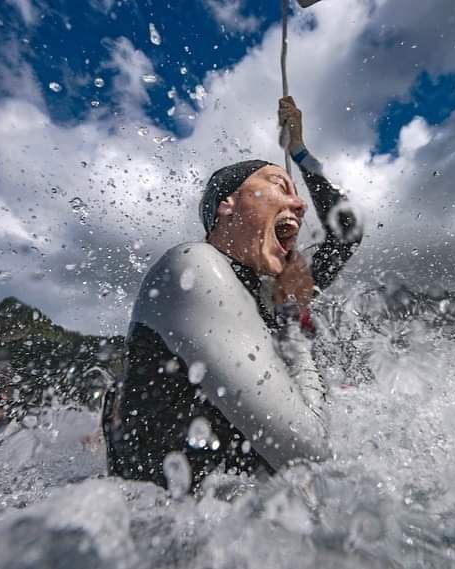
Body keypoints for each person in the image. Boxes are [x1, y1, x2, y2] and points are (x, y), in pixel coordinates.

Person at [103, 97, 362, 492]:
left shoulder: (272, 290)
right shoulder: (194, 268)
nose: (299, 204)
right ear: (227, 205)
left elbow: (347, 233)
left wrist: (300, 153)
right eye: (279, 186)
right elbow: (309, 457)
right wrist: (295, 339)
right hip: (170, 523)